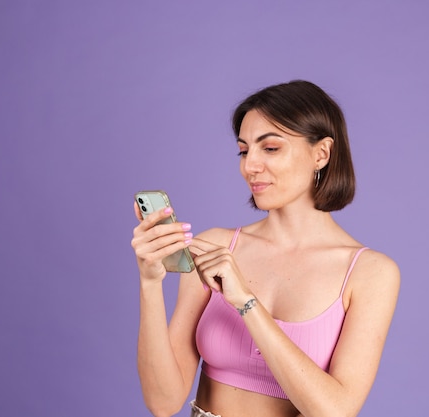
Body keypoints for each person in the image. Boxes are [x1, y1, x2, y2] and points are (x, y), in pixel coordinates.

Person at [131, 80, 400, 417]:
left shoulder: (369, 273)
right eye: (244, 151)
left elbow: (335, 411)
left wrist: (246, 302)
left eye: (270, 148)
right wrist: (150, 282)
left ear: (322, 154)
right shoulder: (215, 247)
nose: (249, 166)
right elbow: (163, 401)